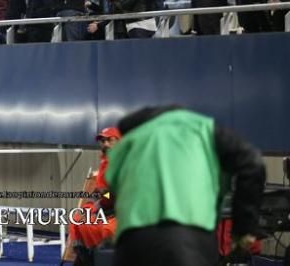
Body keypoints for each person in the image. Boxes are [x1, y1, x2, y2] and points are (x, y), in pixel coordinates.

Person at [106, 106, 265, 266]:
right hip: (189, 240)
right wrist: (244, 227)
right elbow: (252, 163)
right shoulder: (205, 128)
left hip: (132, 242)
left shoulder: (130, 140)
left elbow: (112, 186)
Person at [67, 127, 120, 266]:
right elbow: (100, 191)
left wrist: (102, 199)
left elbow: (114, 193)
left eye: (110, 140)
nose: (105, 144)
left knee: (104, 229)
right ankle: (87, 258)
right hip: (106, 210)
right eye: (103, 140)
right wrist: (91, 204)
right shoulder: (105, 163)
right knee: (77, 221)